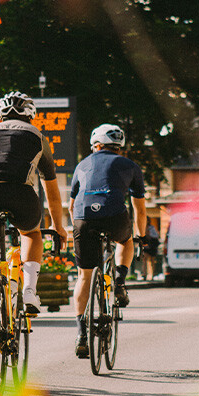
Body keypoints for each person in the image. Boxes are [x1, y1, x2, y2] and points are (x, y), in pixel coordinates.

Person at [0, 91, 67, 380]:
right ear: (30, 116)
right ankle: (30, 291)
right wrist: (58, 226)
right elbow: (52, 190)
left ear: (0, 117)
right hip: (20, 193)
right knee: (31, 234)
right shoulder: (37, 136)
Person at [69, 124, 146, 359]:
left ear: (97, 145)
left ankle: (82, 334)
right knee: (126, 241)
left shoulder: (82, 165)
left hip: (84, 219)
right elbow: (139, 210)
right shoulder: (130, 166)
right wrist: (141, 237)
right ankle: (120, 281)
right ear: (119, 147)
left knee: (84, 276)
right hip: (114, 217)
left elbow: (72, 206)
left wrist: (79, 228)